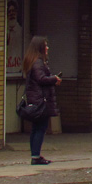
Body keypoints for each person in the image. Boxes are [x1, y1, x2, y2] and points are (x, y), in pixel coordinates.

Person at [23, 35, 60, 165]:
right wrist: (54, 79)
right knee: (40, 128)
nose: (47, 48)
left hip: (35, 99)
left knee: (36, 128)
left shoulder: (32, 60)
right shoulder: (38, 62)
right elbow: (41, 79)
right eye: (45, 45)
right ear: (40, 47)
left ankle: (35, 154)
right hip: (41, 100)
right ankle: (36, 156)